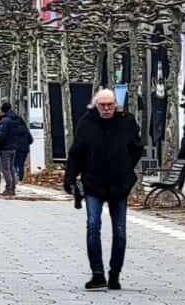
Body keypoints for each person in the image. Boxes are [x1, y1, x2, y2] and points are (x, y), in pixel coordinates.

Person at [64, 88, 143, 292]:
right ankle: (97, 274)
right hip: (93, 182)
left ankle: (114, 274)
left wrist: (125, 168)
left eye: (110, 105)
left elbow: (136, 148)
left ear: (116, 104)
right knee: (92, 226)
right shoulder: (86, 123)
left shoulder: (127, 121)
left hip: (119, 183)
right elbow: (76, 153)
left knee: (120, 231)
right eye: (102, 105)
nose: (107, 109)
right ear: (96, 105)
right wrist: (70, 178)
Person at [0, 102, 24, 197]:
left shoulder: (5, 121)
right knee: (11, 168)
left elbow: (1, 135)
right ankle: (13, 187)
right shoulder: (16, 119)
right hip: (13, 147)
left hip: (5, 148)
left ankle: (9, 188)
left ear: (3, 111)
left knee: (5, 169)